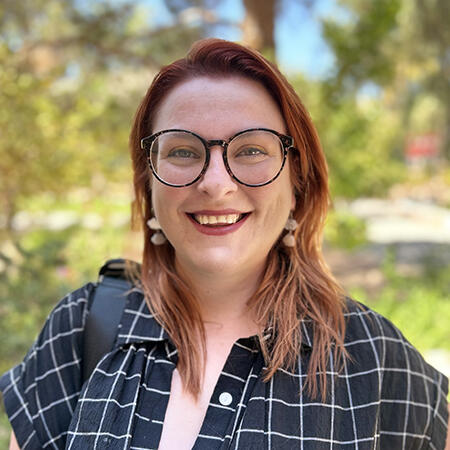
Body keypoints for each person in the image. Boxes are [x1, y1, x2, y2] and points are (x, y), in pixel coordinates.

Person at [1, 38, 449, 450]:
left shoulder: (375, 358)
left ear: (297, 182)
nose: (216, 184)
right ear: (149, 183)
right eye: (182, 151)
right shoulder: (81, 329)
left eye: (251, 150)